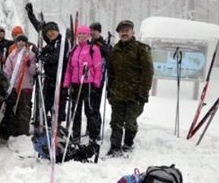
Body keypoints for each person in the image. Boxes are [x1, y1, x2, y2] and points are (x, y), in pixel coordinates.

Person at [107, 20, 153, 156]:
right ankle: (115, 147)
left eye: (127, 30)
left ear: (133, 32)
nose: (124, 33)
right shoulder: (114, 50)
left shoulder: (141, 49)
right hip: (117, 93)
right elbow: (111, 73)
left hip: (135, 94)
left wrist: (144, 92)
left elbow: (148, 72)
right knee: (116, 121)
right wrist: (109, 91)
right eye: (122, 31)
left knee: (130, 122)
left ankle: (128, 144)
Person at [63, 25, 102, 145]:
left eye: (83, 34)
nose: (81, 36)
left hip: (88, 84)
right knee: (75, 111)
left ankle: (93, 136)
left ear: (88, 35)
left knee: (90, 111)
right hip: (75, 84)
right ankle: (76, 136)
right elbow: (69, 69)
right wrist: (66, 83)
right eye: (79, 34)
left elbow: (98, 67)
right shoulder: (74, 49)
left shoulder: (93, 49)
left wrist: (96, 83)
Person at [0, 33, 37, 141]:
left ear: (26, 43)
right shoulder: (12, 55)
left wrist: (30, 64)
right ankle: (14, 130)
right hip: (14, 86)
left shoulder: (30, 55)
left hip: (26, 86)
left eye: (23, 41)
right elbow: (7, 70)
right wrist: (7, 83)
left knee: (24, 108)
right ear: (16, 43)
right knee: (13, 108)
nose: (21, 43)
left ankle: (23, 131)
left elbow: (33, 71)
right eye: (19, 41)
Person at [89, 22, 112, 135]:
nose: (92, 32)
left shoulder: (104, 45)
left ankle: (95, 131)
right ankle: (90, 128)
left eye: (95, 30)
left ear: (99, 31)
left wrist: (106, 50)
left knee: (95, 107)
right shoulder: (89, 43)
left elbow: (109, 61)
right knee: (88, 106)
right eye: (91, 30)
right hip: (87, 79)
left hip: (98, 80)